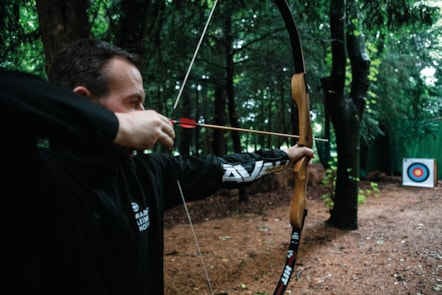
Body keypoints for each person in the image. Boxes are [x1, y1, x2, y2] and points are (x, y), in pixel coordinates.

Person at [0, 39, 313, 294]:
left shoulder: (149, 173)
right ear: (83, 101)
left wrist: (286, 156)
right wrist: (113, 126)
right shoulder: (27, 175)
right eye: (134, 102)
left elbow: (223, 168)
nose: (145, 113)